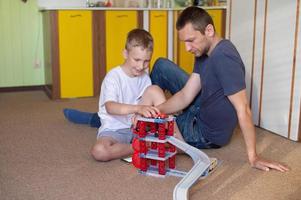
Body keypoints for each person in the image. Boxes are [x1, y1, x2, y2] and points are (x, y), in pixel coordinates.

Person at [64, 7, 289, 172]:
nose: (187, 48)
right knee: (160, 66)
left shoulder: (224, 57)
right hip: (196, 113)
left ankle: (110, 120)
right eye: (184, 42)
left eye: (191, 40)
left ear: (209, 30)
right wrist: (148, 110)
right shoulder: (205, 53)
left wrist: (254, 157)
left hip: (202, 132)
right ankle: (121, 117)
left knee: (155, 80)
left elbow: (244, 110)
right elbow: (185, 95)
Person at [74, 28, 183, 161]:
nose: (141, 66)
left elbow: (146, 102)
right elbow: (110, 107)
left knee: (154, 89)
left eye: (146, 61)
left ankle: (178, 141)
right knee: (99, 151)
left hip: (137, 127)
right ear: (125, 53)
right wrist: (138, 109)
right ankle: (143, 146)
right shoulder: (113, 77)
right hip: (115, 130)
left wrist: (141, 114)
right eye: (136, 60)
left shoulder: (144, 78)